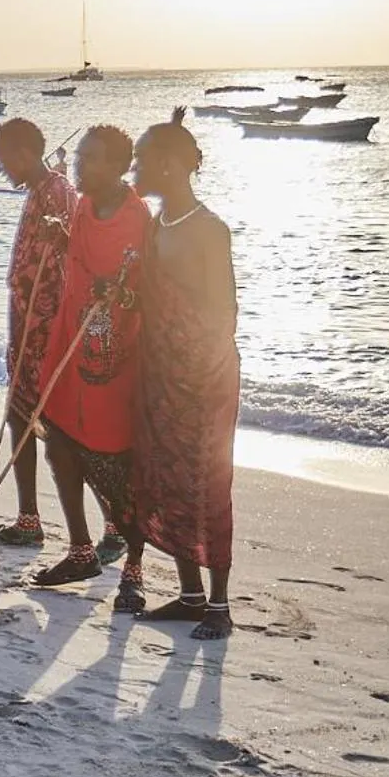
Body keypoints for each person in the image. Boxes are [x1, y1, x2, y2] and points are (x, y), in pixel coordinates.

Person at [127, 108, 239, 639]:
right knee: (168, 477)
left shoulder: (208, 230)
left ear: (171, 166)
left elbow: (223, 312)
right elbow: (148, 294)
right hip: (161, 372)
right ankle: (190, 594)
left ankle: (219, 604)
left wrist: (197, 368)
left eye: (143, 159)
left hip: (204, 377)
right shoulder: (157, 224)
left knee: (207, 482)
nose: (135, 168)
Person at [29, 127, 150, 609]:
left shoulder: (138, 218)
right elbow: (77, 255)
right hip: (71, 343)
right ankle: (81, 549)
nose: (81, 167)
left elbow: (150, 294)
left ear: (119, 166)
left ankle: (135, 568)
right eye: (80, 157)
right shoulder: (81, 205)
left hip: (117, 356)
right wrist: (58, 237)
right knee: (59, 445)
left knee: (120, 466)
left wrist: (115, 292)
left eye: (93, 160)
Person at [0, 119, 80, 550]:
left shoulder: (56, 192)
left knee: (56, 428)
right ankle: (28, 520)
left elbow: (64, 256)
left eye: (4, 159)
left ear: (23, 154)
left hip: (45, 328)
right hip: (26, 325)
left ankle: (103, 528)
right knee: (21, 417)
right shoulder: (40, 190)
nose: (2, 169)